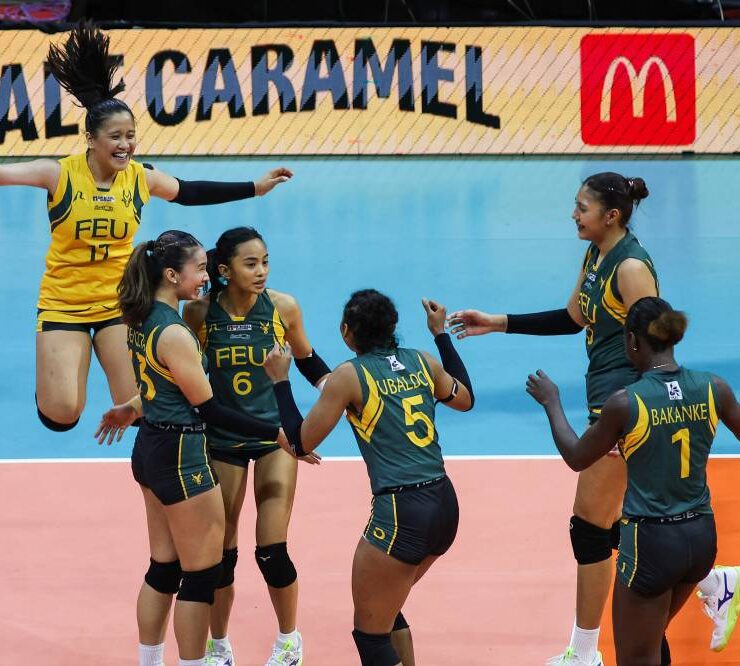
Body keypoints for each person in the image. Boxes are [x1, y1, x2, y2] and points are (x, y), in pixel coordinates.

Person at [3, 21, 291, 432]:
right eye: (115, 137)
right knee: (62, 415)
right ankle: (57, 372)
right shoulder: (58, 174)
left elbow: (190, 191)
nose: (125, 145)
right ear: (91, 139)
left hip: (119, 303)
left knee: (143, 410)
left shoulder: (140, 177)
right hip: (63, 303)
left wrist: (255, 188)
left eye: (131, 136)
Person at [448, 172, 658, 665]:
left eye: (582, 207)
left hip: (625, 409)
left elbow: (657, 343)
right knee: (618, 527)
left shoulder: (630, 269)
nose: (573, 214)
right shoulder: (596, 255)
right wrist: (497, 323)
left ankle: (584, 653)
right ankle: (715, 582)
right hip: (607, 402)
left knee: (590, 528)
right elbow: (574, 318)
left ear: (612, 215)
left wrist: (635, 413)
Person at [96, 230, 291, 666]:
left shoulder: (142, 318)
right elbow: (210, 409)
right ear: (171, 275)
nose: (206, 277)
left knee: (163, 568)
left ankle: (150, 661)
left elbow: (163, 384)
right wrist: (274, 433)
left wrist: (133, 406)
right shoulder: (175, 332)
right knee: (201, 577)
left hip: (149, 447)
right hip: (181, 455)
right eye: (200, 269)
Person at [263, 289, 474, 666]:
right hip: (445, 504)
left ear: (347, 331)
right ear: (392, 328)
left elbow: (298, 443)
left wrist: (280, 380)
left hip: (401, 515)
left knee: (371, 637)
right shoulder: (423, 361)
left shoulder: (349, 375)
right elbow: (465, 398)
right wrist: (440, 335)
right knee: (387, 608)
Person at [525, 296, 740, 664]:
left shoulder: (625, 404)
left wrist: (552, 403)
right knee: (651, 641)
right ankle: (719, 583)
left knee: (636, 658)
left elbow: (577, 457)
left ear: (632, 341)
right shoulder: (713, 388)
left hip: (651, 545)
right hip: (701, 537)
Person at [182, 226, 330, 666]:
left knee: (271, 550)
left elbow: (307, 359)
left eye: (265, 261)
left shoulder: (283, 307)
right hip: (223, 438)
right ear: (224, 270)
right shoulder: (199, 313)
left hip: (276, 440)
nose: (261, 270)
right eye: (251, 264)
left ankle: (289, 640)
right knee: (220, 555)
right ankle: (219, 647)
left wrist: (339, 391)